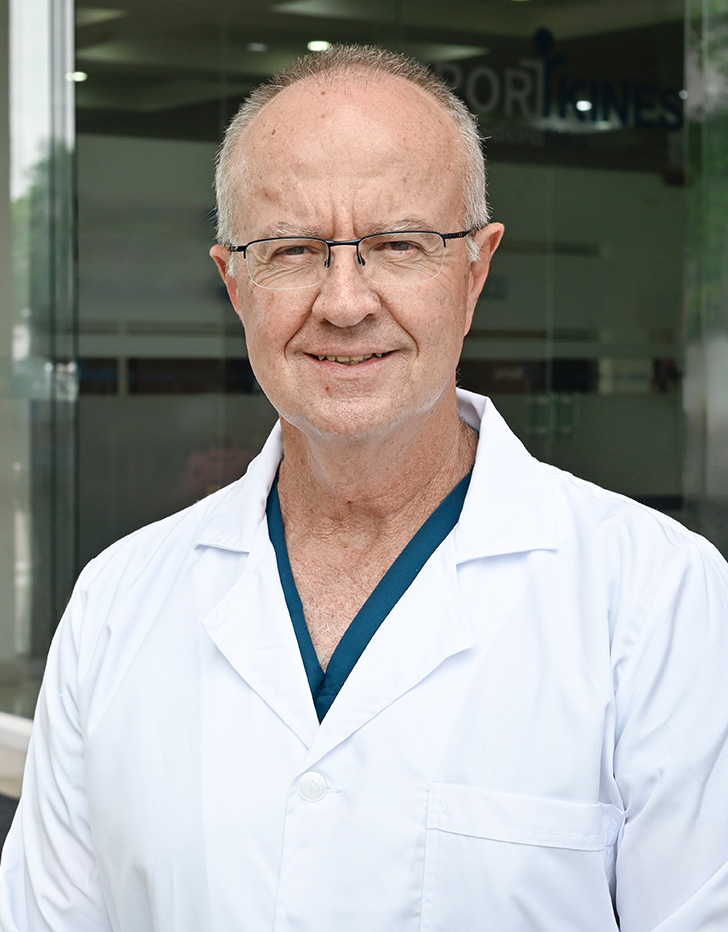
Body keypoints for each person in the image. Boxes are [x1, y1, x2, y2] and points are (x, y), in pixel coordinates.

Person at [1, 44, 727, 932]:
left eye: (399, 245)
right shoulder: (119, 604)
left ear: (476, 270)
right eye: (293, 249)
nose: (346, 302)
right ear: (234, 281)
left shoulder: (658, 602)